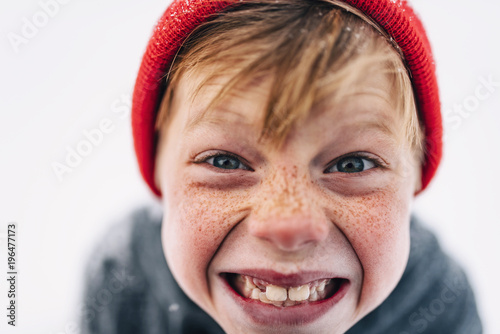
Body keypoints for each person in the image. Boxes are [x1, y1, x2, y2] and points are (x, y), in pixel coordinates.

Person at [81, 0, 482, 333]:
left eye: (352, 164)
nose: (288, 225)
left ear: (415, 177)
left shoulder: (439, 304)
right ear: (157, 172)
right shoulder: (124, 284)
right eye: (225, 161)